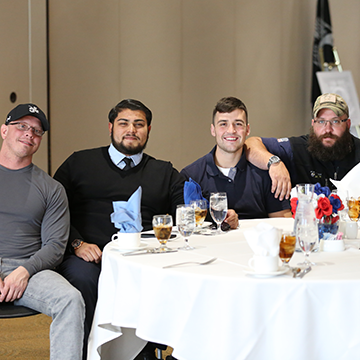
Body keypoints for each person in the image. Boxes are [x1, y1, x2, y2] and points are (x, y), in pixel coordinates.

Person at [54, 99, 185, 360]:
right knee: (84, 280)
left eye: (139, 124)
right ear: (111, 127)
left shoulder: (164, 172)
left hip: (143, 258)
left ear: (149, 129)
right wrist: (77, 244)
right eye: (124, 123)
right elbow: (52, 210)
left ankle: (143, 351)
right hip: (88, 256)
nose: (131, 130)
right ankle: (88, 353)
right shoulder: (79, 162)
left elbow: (187, 209)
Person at [0, 103, 85, 360]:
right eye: (22, 126)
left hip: (30, 268)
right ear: (4, 130)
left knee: (70, 299)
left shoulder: (51, 189)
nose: (30, 134)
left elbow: (55, 246)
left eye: (37, 131)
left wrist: (23, 272)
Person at [181, 96, 291, 226]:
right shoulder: (191, 176)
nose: (231, 131)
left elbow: (284, 224)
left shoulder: (267, 174)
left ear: (247, 129)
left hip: (255, 245)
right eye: (223, 124)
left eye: (238, 124)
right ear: (213, 130)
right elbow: (187, 227)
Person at [245, 93, 360, 200]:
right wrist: (274, 163)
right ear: (313, 124)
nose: (327, 129)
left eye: (335, 121)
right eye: (321, 121)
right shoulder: (298, 148)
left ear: (348, 124)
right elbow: (251, 143)